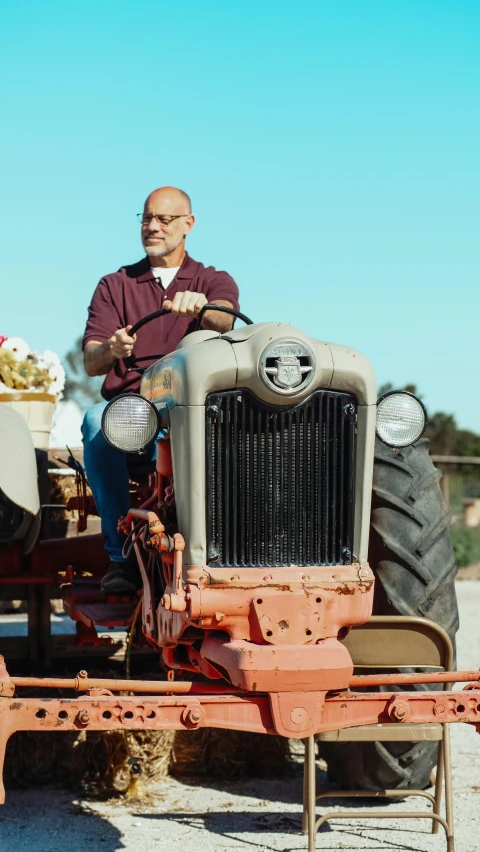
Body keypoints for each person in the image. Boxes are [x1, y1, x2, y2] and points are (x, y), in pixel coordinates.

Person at [81, 186, 239, 593]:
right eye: (146, 218)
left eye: (164, 219)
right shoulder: (115, 285)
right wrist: (112, 348)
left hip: (191, 406)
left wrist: (203, 306)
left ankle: (224, 549)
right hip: (134, 407)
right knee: (97, 423)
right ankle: (121, 558)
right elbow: (91, 360)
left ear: (189, 224)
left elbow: (225, 321)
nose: (152, 227)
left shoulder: (212, 279)